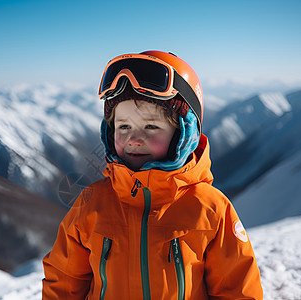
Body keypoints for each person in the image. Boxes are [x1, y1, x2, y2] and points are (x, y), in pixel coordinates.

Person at [42, 50, 263, 299]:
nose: (134, 140)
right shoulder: (91, 204)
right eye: (123, 126)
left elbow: (238, 291)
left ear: (184, 133)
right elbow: (63, 281)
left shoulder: (210, 209)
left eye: (151, 126)